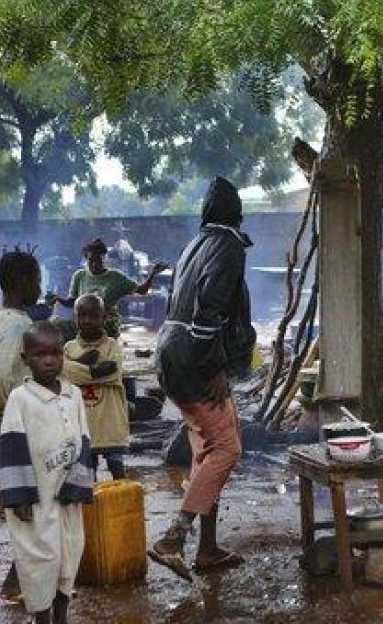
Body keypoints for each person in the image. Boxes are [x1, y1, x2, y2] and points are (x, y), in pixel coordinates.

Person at [150, 176, 255, 580]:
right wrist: (215, 368)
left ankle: (207, 549)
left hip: (170, 348)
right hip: (194, 356)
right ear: (238, 214)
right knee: (226, 449)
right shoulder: (228, 244)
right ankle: (172, 540)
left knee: (206, 451)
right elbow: (208, 310)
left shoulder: (194, 243)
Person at [0, 322, 94, 624]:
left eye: (55, 353)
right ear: (26, 359)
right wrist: (20, 497)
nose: (49, 360)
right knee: (40, 559)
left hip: (67, 495)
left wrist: (79, 483)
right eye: (40, 355)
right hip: (36, 499)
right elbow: (11, 446)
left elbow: (85, 440)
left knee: (70, 553)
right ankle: (42, 616)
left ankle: (62, 614)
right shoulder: (21, 399)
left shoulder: (73, 395)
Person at [0, 247, 43, 605]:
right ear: (22, 282)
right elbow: (1, 374)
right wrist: (4, 408)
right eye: (37, 279)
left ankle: (22, 575)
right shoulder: (19, 324)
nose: (41, 286)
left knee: (29, 499)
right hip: (17, 426)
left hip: (10, 420)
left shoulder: (5, 317)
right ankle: (17, 580)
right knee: (30, 499)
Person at [62, 294, 129, 480]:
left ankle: (122, 507)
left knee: (118, 471)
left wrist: (77, 367)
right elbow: (63, 374)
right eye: (81, 315)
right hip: (83, 424)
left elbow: (113, 372)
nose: (87, 320)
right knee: (88, 476)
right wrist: (93, 369)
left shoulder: (112, 346)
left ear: (103, 318)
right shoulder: (69, 348)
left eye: (93, 315)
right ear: (75, 318)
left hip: (110, 423)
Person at [47, 237, 168, 339]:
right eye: (91, 260)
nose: (94, 264)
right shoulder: (79, 276)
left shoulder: (115, 277)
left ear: (104, 258)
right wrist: (58, 298)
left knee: (99, 328)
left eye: (98, 260)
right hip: (83, 324)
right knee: (55, 323)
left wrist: (152, 274)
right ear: (86, 259)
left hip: (105, 324)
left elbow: (142, 290)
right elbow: (72, 302)